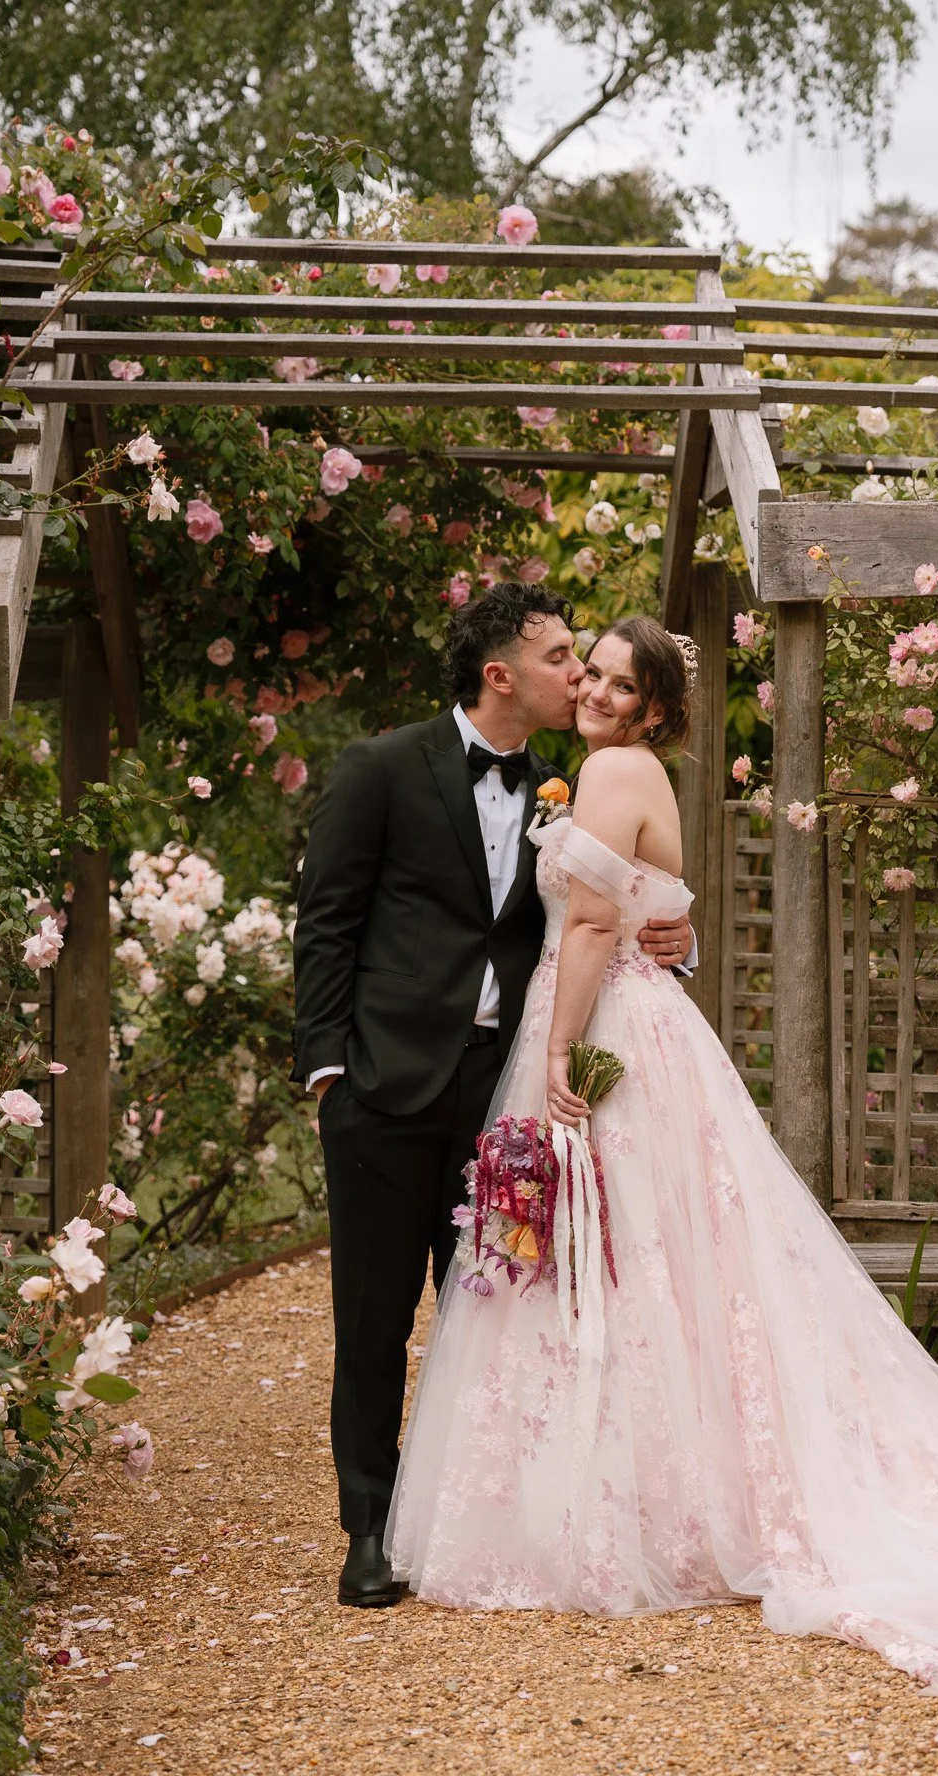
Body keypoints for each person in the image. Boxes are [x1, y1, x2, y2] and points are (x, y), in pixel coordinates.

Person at [390, 615, 938, 1699]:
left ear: (653, 708)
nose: (594, 690)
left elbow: (589, 928)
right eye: (591, 673)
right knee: (662, 1262)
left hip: (599, 1030)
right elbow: (654, 903)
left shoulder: (612, 771)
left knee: (620, 1258)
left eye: (620, 684)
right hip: (640, 1022)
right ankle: (653, 1489)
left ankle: (622, 1509)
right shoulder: (607, 770)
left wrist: (555, 1062)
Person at [292, 585, 694, 1608]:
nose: (581, 674)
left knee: (506, 1316)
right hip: (382, 1089)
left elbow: (600, 917)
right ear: (500, 671)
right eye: (565, 655)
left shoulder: (574, 784)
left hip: (504, 1093)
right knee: (374, 1318)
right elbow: (328, 921)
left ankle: (493, 1520)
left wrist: (674, 938)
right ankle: (371, 1532)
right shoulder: (381, 768)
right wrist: (327, 1068)